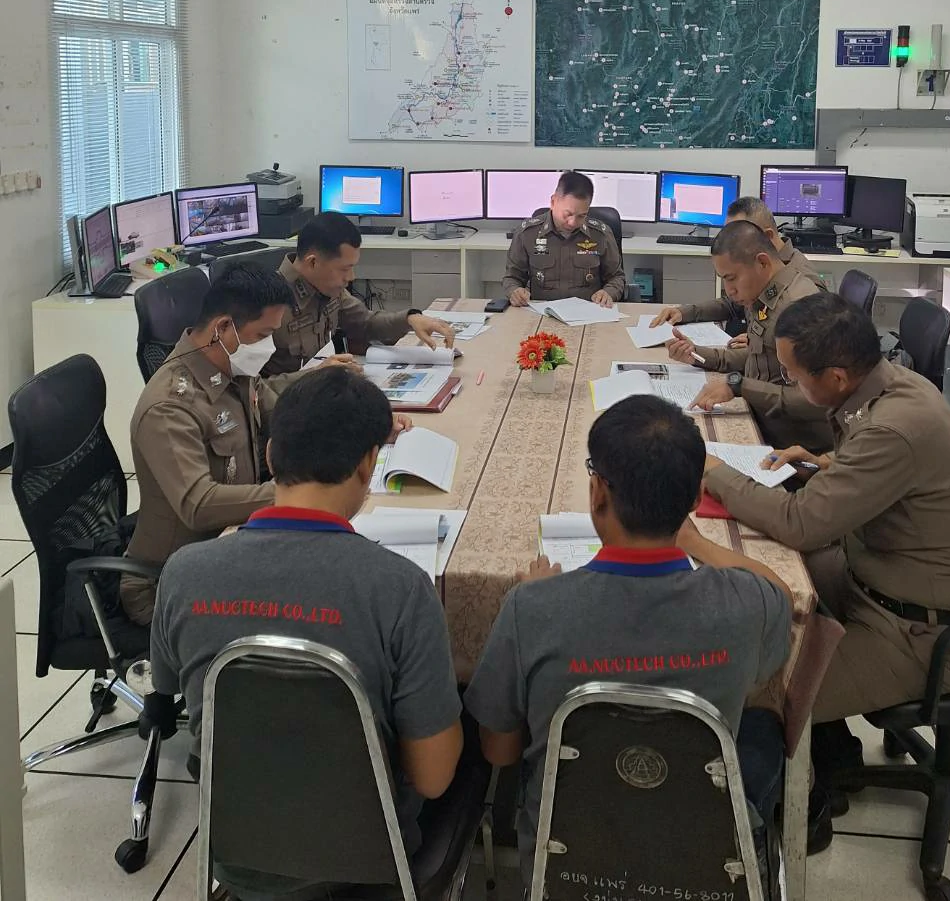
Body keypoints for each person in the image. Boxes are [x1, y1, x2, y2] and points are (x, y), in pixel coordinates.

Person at [679, 293, 950, 852]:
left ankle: (806, 810)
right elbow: (876, 472)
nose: (791, 386)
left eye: (796, 376)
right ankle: (835, 750)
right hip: (875, 576)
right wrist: (829, 466)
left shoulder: (894, 428)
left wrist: (715, 471)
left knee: (760, 686)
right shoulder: (890, 387)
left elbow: (800, 524)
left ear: (837, 375)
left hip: (918, 633)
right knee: (761, 587)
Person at [148, 371, 465, 900]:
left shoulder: (182, 572)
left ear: (271, 456)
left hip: (237, 857)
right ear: (368, 465)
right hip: (373, 858)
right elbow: (433, 779)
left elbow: (167, 690)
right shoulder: (401, 588)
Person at [464, 395, 793, 891]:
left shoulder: (531, 608)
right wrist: (697, 543)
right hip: (700, 861)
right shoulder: (747, 603)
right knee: (763, 730)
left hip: (564, 863)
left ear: (597, 491)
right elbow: (780, 592)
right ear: (693, 500)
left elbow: (500, 751)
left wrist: (537, 596)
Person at [121, 266, 296, 625]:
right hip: (169, 585)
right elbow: (199, 505)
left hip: (228, 547)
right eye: (263, 335)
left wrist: (355, 421)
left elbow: (279, 404)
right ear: (223, 328)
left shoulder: (230, 368)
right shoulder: (170, 407)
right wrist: (297, 495)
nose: (269, 346)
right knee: (316, 608)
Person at [665, 221, 826, 447]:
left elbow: (815, 401)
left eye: (731, 279)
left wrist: (740, 387)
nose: (729, 291)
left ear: (762, 262)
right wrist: (698, 356)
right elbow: (760, 357)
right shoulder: (763, 293)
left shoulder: (799, 307)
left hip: (790, 441)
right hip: (761, 420)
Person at [265, 211, 456, 380]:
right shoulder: (267, 303)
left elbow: (366, 323)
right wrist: (313, 376)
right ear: (313, 263)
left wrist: (410, 319)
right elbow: (252, 392)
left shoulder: (329, 289)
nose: (351, 277)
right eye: (344, 269)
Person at [651, 196, 825, 342]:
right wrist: (684, 312)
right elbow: (732, 304)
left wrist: (757, 344)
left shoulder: (803, 285)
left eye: (738, 235)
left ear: (766, 237)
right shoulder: (758, 268)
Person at [502, 170, 626, 306]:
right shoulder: (527, 233)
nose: (572, 222)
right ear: (553, 202)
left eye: (581, 216)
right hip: (541, 312)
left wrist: (608, 293)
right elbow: (512, 278)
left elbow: (616, 277)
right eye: (567, 214)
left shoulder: (601, 235)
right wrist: (515, 291)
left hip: (589, 311)